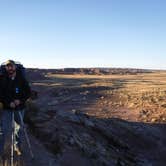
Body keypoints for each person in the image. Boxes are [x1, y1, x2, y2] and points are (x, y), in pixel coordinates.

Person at [0, 60, 31, 156]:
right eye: (8, 66)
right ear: (6, 68)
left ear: (15, 67)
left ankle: (17, 146)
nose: (10, 68)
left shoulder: (21, 78)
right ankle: (0, 151)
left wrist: (20, 100)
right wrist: (8, 103)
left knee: (20, 128)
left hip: (20, 108)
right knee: (3, 130)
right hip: (7, 108)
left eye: (11, 66)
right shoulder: (2, 78)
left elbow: (28, 92)